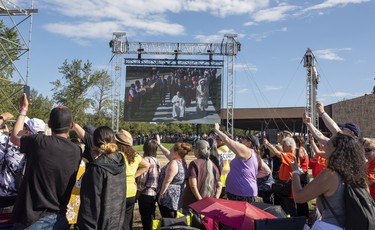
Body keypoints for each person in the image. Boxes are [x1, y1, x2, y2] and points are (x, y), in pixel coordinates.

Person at [10, 93, 82, 229]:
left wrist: (23, 109)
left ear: (49, 124)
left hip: (32, 219)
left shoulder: (39, 141)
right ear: (71, 125)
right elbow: (90, 140)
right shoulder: (76, 150)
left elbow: (15, 136)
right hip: (59, 219)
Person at [292, 132, 367, 229]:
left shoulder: (330, 174)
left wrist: (295, 172)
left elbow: (299, 197)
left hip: (329, 226)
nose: (323, 147)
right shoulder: (360, 176)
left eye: (328, 144)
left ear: (336, 150)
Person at [76, 126, 127, 230]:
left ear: (93, 143)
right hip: (116, 223)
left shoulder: (96, 169)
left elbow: (89, 208)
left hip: (99, 224)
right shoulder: (120, 162)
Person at [213, 123, 259, 203]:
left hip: (241, 192)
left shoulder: (246, 151)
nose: (240, 141)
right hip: (240, 191)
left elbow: (227, 140)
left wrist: (217, 130)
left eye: (243, 140)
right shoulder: (253, 153)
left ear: (249, 143)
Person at [115, 129, 150, 230]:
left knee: (117, 220)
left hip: (119, 190)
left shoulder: (118, 155)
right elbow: (147, 165)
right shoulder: (135, 155)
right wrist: (133, 175)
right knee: (127, 220)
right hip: (132, 191)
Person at [182, 140, 222, 209]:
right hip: (209, 204)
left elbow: (193, 186)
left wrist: (200, 201)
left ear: (198, 150)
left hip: (193, 204)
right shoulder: (214, 166)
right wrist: (215, 199)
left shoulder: (194, 164)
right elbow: (219, 185)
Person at [264, 136, 297, 216]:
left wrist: (268, 144)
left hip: (288, 185)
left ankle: (293, 223)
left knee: (289, 207)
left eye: (284, 146)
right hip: (284, 185)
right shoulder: (289, 155)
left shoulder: (291, 155)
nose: (282, 147)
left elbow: (277, 153)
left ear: (290, 146)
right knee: (284, 206)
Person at [157, 141, 191, 218]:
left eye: (171, 150)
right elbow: (167, 153)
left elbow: (167, 181)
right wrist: (159, 144)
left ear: (176, 153)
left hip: (169, 196)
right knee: (173, 217)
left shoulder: (174, 163)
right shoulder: (182, 161)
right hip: (177, 195)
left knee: (168, 218)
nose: (170, 151)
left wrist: (161, 195)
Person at [136, 139, 161, 230]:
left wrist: (137, 194)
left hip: (145, 193)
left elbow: (141, 180)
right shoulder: (156, 160)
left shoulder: (145, 160)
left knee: (145, 218)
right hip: (154, 193)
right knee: (151, 216)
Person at [214, 131, 235, 198]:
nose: (215, 141)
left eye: (217, 139)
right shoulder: (233, 150)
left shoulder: (217, 151)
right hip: (231, 180)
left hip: (220, 181)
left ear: (222, 141)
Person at [293, 135, 310, 220]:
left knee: (302, 199)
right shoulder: (300, 149)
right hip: (301, 175)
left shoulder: (300, 150)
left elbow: (304, 167)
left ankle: (304, 217)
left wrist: (296, 170)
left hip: (302, 176)